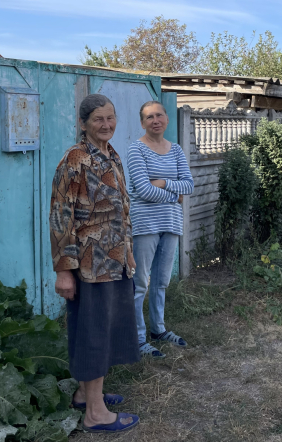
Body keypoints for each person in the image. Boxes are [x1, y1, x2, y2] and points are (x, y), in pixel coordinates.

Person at [50, 94, 140, 434]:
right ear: (84, 123)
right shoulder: (74, 160)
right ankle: (95, 414)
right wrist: (63, 270)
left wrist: (128, 249)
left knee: (103, 329)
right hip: (89, 262)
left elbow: (121, 209)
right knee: (94, 332)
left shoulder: (111, 154)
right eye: (99, 120)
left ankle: (85, 395)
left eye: (110, 118)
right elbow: (60, 216)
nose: (106, 125)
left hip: (114, 260)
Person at [127, 101, 194, 358]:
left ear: (166, 118)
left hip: (171, 223)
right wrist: (172, 195)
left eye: (159, 115)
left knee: (161, 282)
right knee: (140, 283)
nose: (155, 120)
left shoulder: (175, 150)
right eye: (149, 117)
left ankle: (159, 329)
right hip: (145, 224)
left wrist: (164, 182)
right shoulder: (136, 149)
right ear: (143, 123)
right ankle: (138, 338)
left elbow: (188, 185)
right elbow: (142, 189)